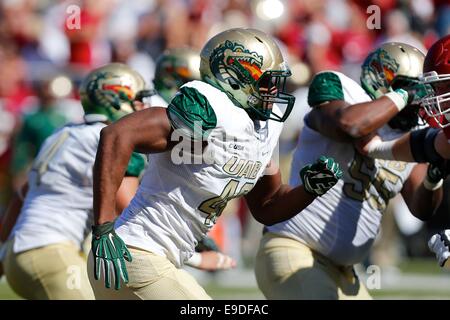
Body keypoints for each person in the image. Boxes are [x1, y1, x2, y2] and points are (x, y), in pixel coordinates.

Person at [88, 27, 343, 300]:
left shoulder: (264, 127)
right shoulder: (212, 107)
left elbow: (267, 206)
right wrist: (103, 227)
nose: (274, 90)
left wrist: (309, 189)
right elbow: (117, 134)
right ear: (234, 77)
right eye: (267, 81)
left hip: (152, 260)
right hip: (135, 254)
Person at [253, 42, 444, 300]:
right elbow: (349, 125)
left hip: (345, 273)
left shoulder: (412, 131)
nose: (418, 101)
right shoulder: (341, 88)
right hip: (293, 248)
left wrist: (435, 175)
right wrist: (404, 96)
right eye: (412, 90)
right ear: (382, 80)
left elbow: (421, 208)